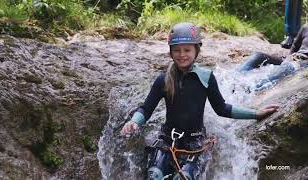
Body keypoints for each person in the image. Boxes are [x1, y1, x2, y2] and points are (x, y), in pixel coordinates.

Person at [120, 22, 279, 180]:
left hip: (195, 141)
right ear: (171, 52)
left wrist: (256, 114)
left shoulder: (206, 78)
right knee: (154, 175)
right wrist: (134, 121)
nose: (182, 55)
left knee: (184, 178)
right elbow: (146, 109)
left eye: (187, 50)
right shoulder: (163, 80)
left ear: (197, 50)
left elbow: (221, 108)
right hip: (168, 139)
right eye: (177, 50)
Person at [239, 24, 308, 91]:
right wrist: (288, 58)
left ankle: (252, 88)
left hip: (304, 63)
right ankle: (235, 77)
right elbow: (294, 47)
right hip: (295, 57)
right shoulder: (305, 27)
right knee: (258, 56)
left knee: (288, 67)